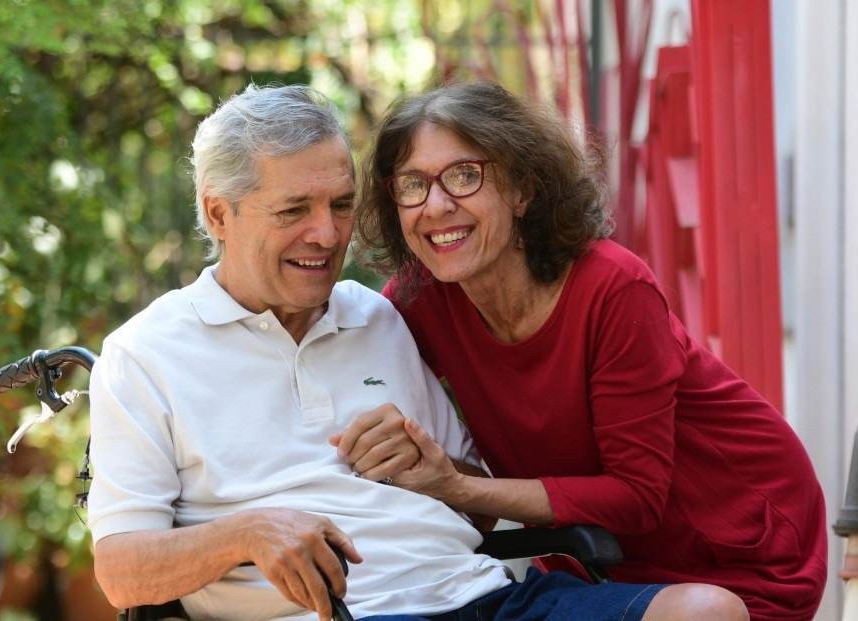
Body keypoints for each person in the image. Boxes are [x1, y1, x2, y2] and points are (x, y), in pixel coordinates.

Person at [86, 84, 733, 621]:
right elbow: (121, 571)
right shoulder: (145, 355)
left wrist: (437, 467)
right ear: (219, 214)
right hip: (353, 610)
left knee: (707, 612)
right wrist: (247, 532)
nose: (327, 232)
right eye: (293, 210)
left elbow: (474, 503)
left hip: (486, 595)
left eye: (341, 204)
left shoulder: (381, 317)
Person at [350, 81, 827, 621]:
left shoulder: (613, 287)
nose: (436, 206)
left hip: (737, 544)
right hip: (595, 558)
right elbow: (334, 351)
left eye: (465, 175)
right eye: (412, 183)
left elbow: (636, 496)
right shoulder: (420, 300)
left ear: (522, 189)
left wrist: (460, 488)